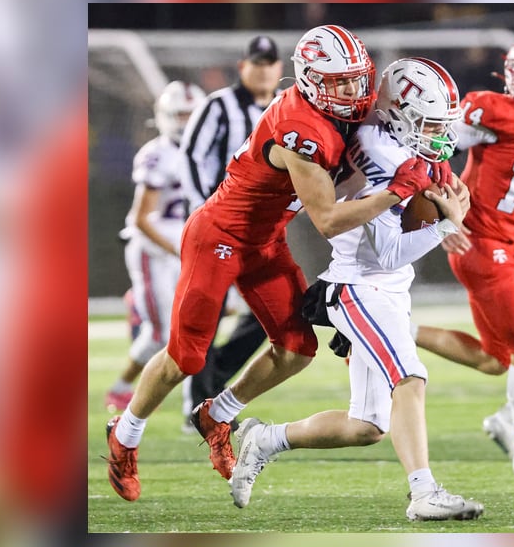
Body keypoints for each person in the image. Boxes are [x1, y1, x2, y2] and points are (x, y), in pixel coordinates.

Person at [103, 25, 449, 502]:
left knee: (296, 348)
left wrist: (433, 162)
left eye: (357, 79)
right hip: (220, 236)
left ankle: (216, 415)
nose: (352, 92)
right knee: (188, 355)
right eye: (339, 83)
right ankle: (125, 434)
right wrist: (400, 189)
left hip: (265, 240)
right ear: (309, 80)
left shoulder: (340, 107)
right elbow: (328, 220)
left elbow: (392, 124)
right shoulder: (301, 130)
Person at [227, 57, 483, 522]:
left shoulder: (382, 134)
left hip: (384, 287)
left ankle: (264, 438)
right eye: (428, 124)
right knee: (410, 376)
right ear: (399, 113)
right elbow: (386, 253)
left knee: (366, 426)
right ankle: (423, 493)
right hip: (361, 286)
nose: (438, 136)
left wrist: (437, 191)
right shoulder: (384, 157)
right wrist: (446, 225)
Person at [412, 38, 514, 474]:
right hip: (480, 244)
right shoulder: (494, 111)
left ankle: (397, 330)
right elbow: (425, 149)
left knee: (493, 360)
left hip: (504, 246)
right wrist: (440, 214)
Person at [177, 35, 284, 433]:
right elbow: (191, 156)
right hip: (219, 226)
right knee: (207, 311)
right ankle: (199, 403)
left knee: (267, 316)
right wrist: (205, 206)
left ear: (279, 68)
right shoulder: (219, 105)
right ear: (243, 66)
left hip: (262, 233)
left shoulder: (286, 105)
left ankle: (214, 378)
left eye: (270, 62)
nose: (263, 69)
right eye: (256, 62)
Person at [104, 80, 206, 412]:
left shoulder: (206, 152)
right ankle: (123, 387)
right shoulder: (157, 154)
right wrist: (182, 251)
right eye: (180, 115)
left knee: (208, 320)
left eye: (192, 114)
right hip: (156, 250)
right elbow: (141, 219)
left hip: (188, 245)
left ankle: (190, 398)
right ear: (165, 116)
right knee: (165, 335)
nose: (186, 122)